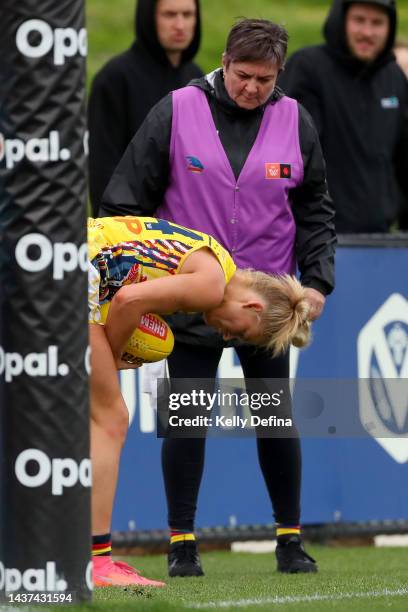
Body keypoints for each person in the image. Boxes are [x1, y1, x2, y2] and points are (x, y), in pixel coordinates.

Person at [100, 18, 336, 577]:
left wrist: (319, 280)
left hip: (266, 306)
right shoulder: (176, 109)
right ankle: (182, 545)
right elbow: (123, 203)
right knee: (185, 420)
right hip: (188, 301)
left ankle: (289, 541)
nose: (252, 88)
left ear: (279, 74)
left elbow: (317, 209)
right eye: (242, 74)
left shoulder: (294, 119)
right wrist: (138, 284)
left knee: (275, 418)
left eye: (265, 78)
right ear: (224, 62)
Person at [88, 215, 311, 586]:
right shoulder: (211, 286)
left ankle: (74, 551)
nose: (224, 336)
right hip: (78, 272)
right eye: (237, 332)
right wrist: (111, 357)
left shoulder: (214, 257)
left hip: (71, 259)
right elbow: (128, 301)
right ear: (252, 307)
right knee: (110, 419)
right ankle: (97, 561)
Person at [279, 0, 408, 233]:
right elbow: (291, 158)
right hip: (317, 237)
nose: (368, 32)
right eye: (359, 20)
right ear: (341, 20)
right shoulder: (308, 68)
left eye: (377, 22)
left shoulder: (394, 77)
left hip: (380, 239)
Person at [88, 0, 202, 215]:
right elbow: (103, 168)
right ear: (149, 18)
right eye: (169, 15)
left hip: (186, 229)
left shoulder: (196, 78)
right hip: (131, 226)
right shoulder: (115, 78)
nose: (180, 25)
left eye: (187, 15)